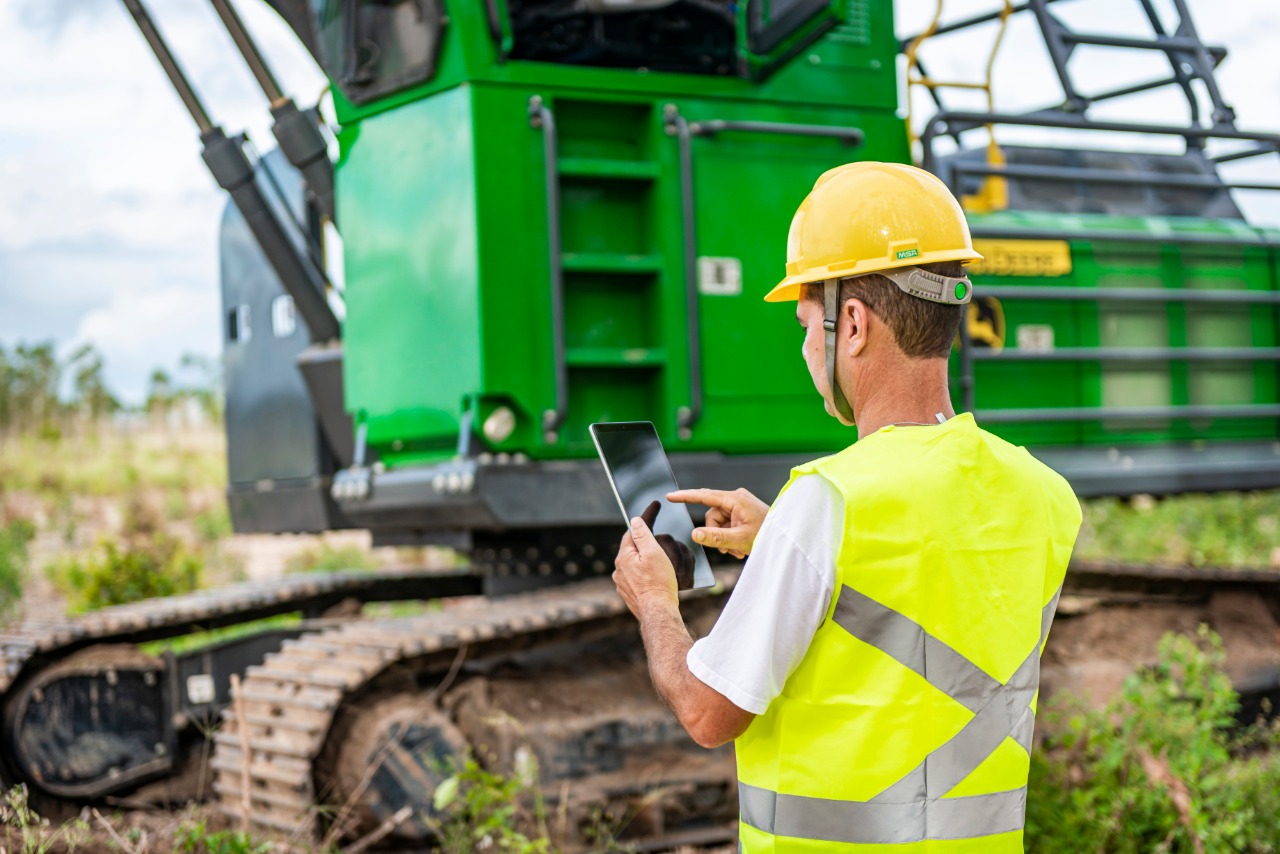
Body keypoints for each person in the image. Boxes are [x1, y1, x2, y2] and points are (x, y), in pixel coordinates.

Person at [611, 161, 1081, 852]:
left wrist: (654, 601)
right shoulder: (1042, 492)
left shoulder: (829, 502)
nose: (806, 347)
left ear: (852, 324)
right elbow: (933, 601)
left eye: (807, 324)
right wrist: (787, 544)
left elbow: (708, 713)